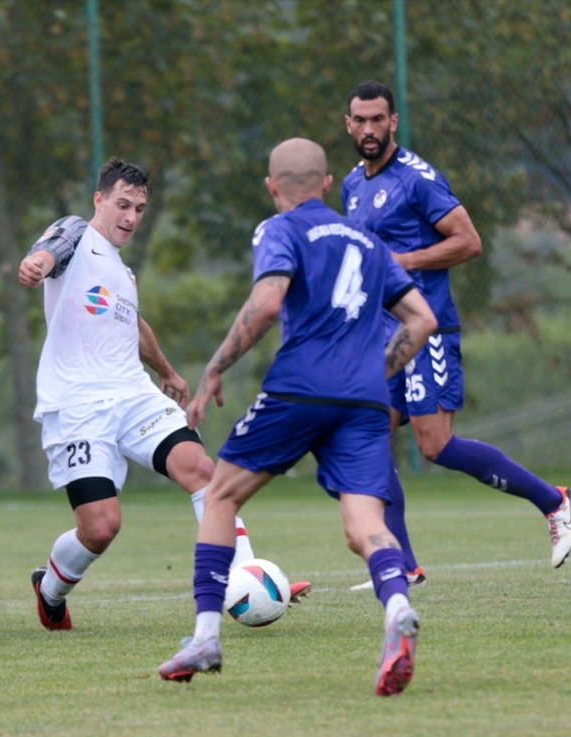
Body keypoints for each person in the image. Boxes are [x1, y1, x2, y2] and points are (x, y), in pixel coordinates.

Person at [157, 138, 438, 696]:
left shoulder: (281, 229)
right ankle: (397, 608)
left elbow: (265, 304)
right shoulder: (367, 240)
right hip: (362, 400)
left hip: (300, 387)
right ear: (328, 183)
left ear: (272, 186)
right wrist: (372, 370)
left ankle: (206, 638)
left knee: (220, 496)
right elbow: (423, 319)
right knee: (365, 527)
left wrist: (215, 369)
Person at [17, 157, 310, 632]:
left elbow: (133, 325)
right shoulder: (76, 235)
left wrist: (168, 372)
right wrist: (36, 264)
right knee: (100, 527)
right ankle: (49, 589)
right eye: (122, 204)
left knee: (201, 470)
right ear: (99, 199)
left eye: (139, 208)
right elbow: (52, 248)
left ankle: (247, 575)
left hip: (134, 395)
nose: (131, 217)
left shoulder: (121, 272)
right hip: (77, 405)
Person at [341, 80, 571, 589]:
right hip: (381, 336)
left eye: (377, 119)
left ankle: (554, 501)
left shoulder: (417, 179)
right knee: (366, 436)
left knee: (435, 446)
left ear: (393, 122)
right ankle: (402, 564)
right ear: (348, 124)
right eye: (359, 120)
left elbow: (467, 242)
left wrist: (402, 261)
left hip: (426, 327)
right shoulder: (351, 185)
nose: (368, 129)